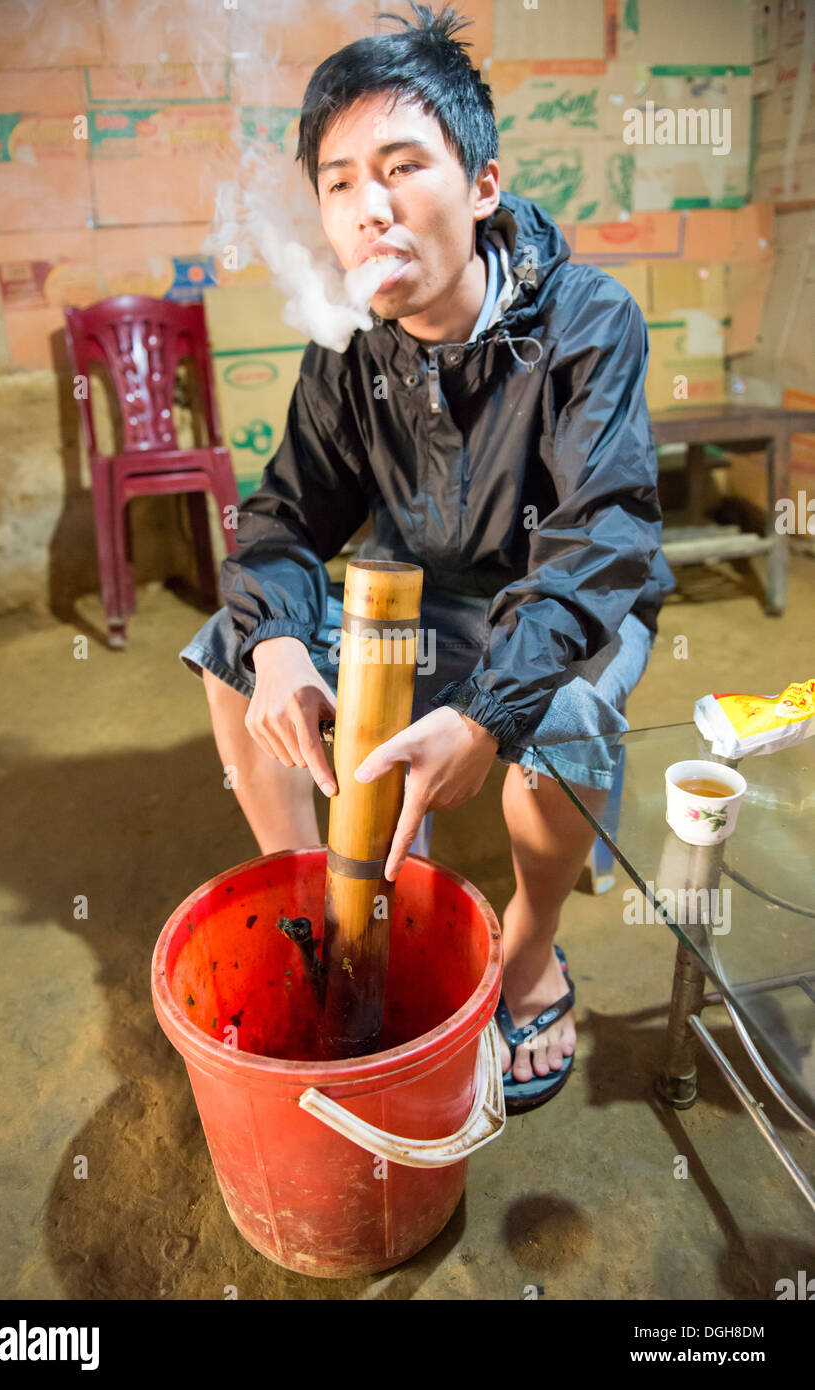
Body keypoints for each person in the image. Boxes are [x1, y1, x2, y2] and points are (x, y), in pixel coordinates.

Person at [180, 3, 677, 1110]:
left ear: (484, 185)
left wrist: (487, 712)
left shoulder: (587, 321)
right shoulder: (350, 348)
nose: (370, 208)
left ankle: (533, 952)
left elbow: (605, 539)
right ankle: (326, 910)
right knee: (230, 653)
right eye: (342, 181)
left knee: (569, 721)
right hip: (417, 594)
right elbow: (283, 518)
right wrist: (275, 649)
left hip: (561, 600)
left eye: (403, 166)